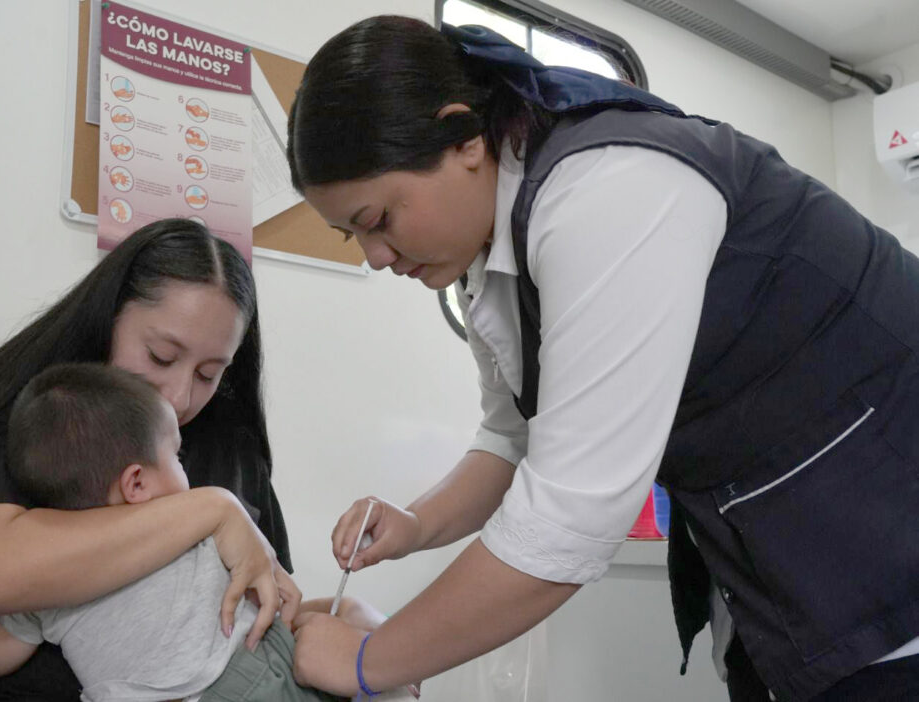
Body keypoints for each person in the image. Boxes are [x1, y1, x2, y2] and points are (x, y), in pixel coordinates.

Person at [285, 15, 919, 702]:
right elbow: (510, 439)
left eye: (378, 221)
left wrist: (369, 661)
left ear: (465, 137)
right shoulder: (483, 260)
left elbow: (566, 521)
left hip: (881, 523)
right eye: (352, 237)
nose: (377, 257)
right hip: (776, 564)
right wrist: (416, 524)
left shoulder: (608, 188)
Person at [0, 219, 299, 700]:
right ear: (108, 316)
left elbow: (266, 611)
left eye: (209, 374)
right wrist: (212, 510)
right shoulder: (40, 420)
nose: (178, 397)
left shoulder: (229, 443)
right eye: (159, 355)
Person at [0, 363, 339, 702]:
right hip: (244, 676)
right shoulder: (191, 529)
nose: (183, 467)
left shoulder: (47, 589)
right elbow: (266, 600)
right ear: (137, 483)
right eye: (176, 455)